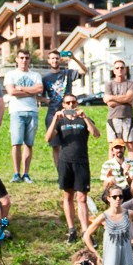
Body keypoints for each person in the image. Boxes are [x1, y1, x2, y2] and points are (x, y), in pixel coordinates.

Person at [44, 92, 98, 243]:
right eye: (67, 103)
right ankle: (71, 229)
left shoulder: (83, 119)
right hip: (65, 161)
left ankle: (86, 231)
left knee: (82, 197)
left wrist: (85, 117)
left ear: (77, 103)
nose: (71, 105)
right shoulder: (60, 121)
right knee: (68, 196)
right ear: (63, 105)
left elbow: (96, 134)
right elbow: (48, 138)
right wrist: (55, 119)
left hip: (81, 161)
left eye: (73, 102)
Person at [82, 182, 133, 265]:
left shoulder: (130, 214)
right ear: (108, 198)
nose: (118, 199)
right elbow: (87, 235)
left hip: (127, 258)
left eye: (120, 196)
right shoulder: (103, 217)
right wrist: (96, 254)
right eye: (114, 197)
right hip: (110, 259)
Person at [105, 58, 133, 146]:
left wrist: (111, 97)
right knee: (113, 146)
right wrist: (126, 101)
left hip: (128, 117)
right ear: (114, 71)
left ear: (125, 70)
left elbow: (128, 97)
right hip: (113, 117)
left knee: (130, 145)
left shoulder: (131, 84)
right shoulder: (109, 85)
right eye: (117, 68)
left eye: (122, 68)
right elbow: (110, 103)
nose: (120, 69)